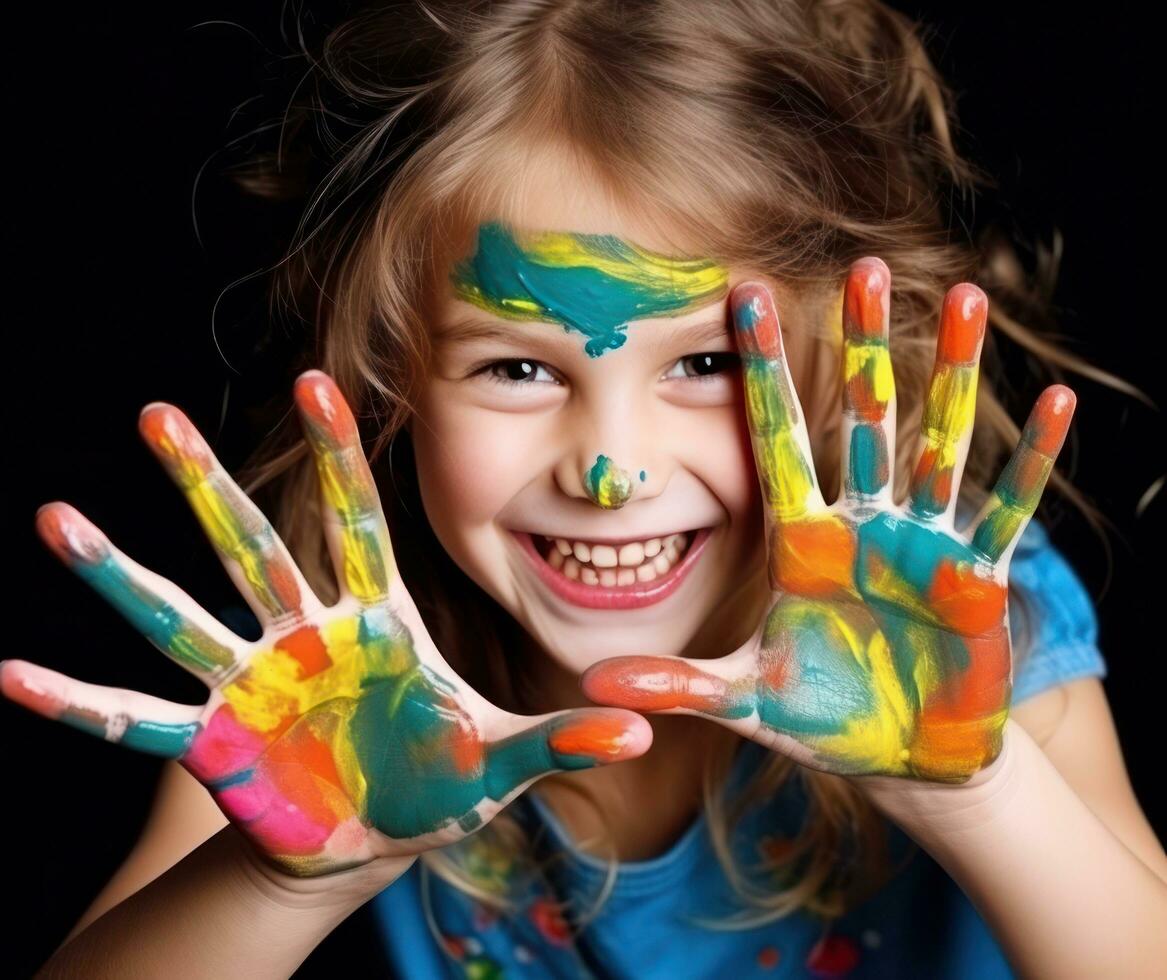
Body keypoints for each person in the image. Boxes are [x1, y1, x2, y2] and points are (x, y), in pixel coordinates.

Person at [3, 0, 1165, 976]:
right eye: (517, 366)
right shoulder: (333, 680)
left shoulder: (957, 632)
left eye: (706, 363)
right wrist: (282, 882)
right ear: (388, 375)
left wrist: (984, 792)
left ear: (846, 363)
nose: (611, 471)